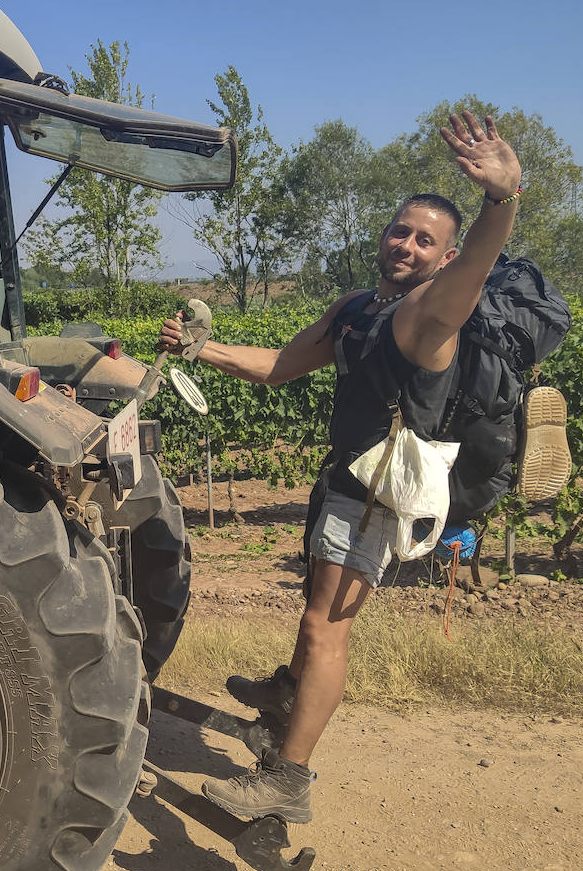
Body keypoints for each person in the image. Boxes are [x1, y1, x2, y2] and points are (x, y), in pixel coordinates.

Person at [157, 110, 522, 824]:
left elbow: (478, 264)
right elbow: (278, 366)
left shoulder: (428, 314)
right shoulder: (357, 308)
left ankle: (288, 779)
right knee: (315, 612)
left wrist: (501, 201)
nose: (408, 245)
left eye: (426, 240)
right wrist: (203, 350)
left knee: (329, 628)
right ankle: (286, 696)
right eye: (400, 230)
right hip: (344, 484)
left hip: (379, 498)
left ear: (445, 258)